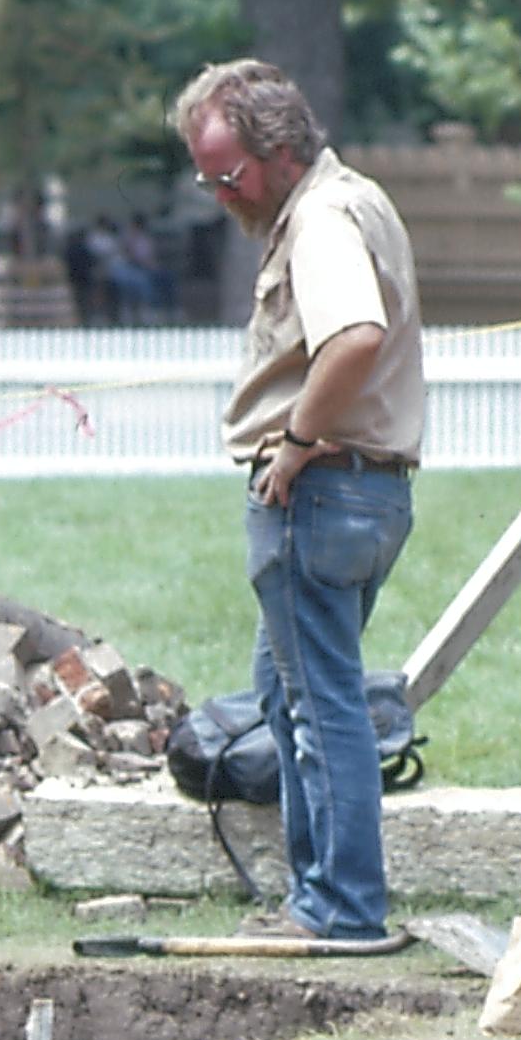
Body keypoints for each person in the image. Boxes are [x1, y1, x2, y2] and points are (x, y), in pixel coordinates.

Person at [174, 58, 425, 944]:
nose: (217, 193)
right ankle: (316, 898)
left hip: (318, 495)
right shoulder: (352, 198)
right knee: (290, 702)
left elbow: (354, 337)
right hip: (364, 495)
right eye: (206, 176)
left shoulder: (318, 221)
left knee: (320, 710)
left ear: (279, 152)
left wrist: (297, 442)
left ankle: (341, 908)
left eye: (227, 174)